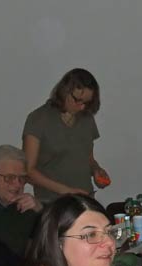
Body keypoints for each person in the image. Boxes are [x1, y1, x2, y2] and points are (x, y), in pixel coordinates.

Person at [22, 68, 110, 203]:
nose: (82, 107)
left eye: (86, 103)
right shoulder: (38, 119)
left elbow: (88, 158)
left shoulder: (86, 118)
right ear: (65, 91)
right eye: (78, 100)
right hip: (53, 203)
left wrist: (96, 170)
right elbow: (28, 171)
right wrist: (66, 191)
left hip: (85, 199)